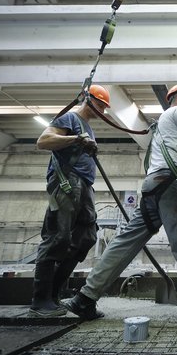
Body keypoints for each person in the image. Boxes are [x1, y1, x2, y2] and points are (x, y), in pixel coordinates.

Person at [64, 83, 177, 327]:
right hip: (172, 187)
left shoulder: (165, 126)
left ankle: (84, 298)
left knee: (125, 242)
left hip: (153, 188)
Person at [28, 85, 110, 317]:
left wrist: (84, 141)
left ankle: (54, 293)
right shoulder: (70, 118)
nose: (103, 109)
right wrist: (76, 138)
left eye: (105, 106)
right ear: (88, 99)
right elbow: (43, 142)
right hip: (66, 180)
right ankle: (40, 300)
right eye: (101, 104)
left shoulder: (88, 128)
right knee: (58, 237)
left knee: (86, 237)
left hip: (84, 184)